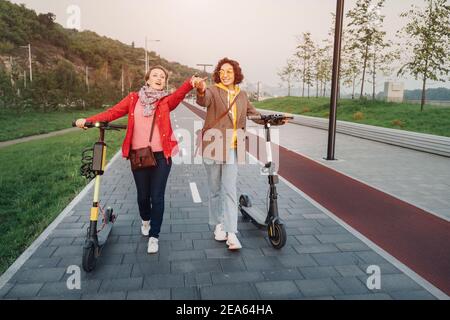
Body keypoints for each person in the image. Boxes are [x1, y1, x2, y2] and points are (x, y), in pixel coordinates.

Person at [76, 65, 204, 254]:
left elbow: (178, 95)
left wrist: (189, 83)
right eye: (155, 75)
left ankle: (154, 236)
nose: (159, 78)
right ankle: (145, 219)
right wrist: (87, 120)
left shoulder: (166, 101)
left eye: (162, 76)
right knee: (143, 196)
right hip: (139, 155)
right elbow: (112, 113)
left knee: (157, 196)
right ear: (147, 79)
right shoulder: (133, 99)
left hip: (162, 157)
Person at [195, 58, 286, 250]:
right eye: (222, 71)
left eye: (229, 71)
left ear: (236, 74)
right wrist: (201, 89)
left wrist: (274, 120)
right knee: (214, 190)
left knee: (229, 189)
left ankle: (231, 232)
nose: (225, 74)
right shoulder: (213, 90)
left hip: (233, 148)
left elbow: (253, 114)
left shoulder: (242, 95)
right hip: (213, 145)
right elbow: (203, 100)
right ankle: (218, 224)